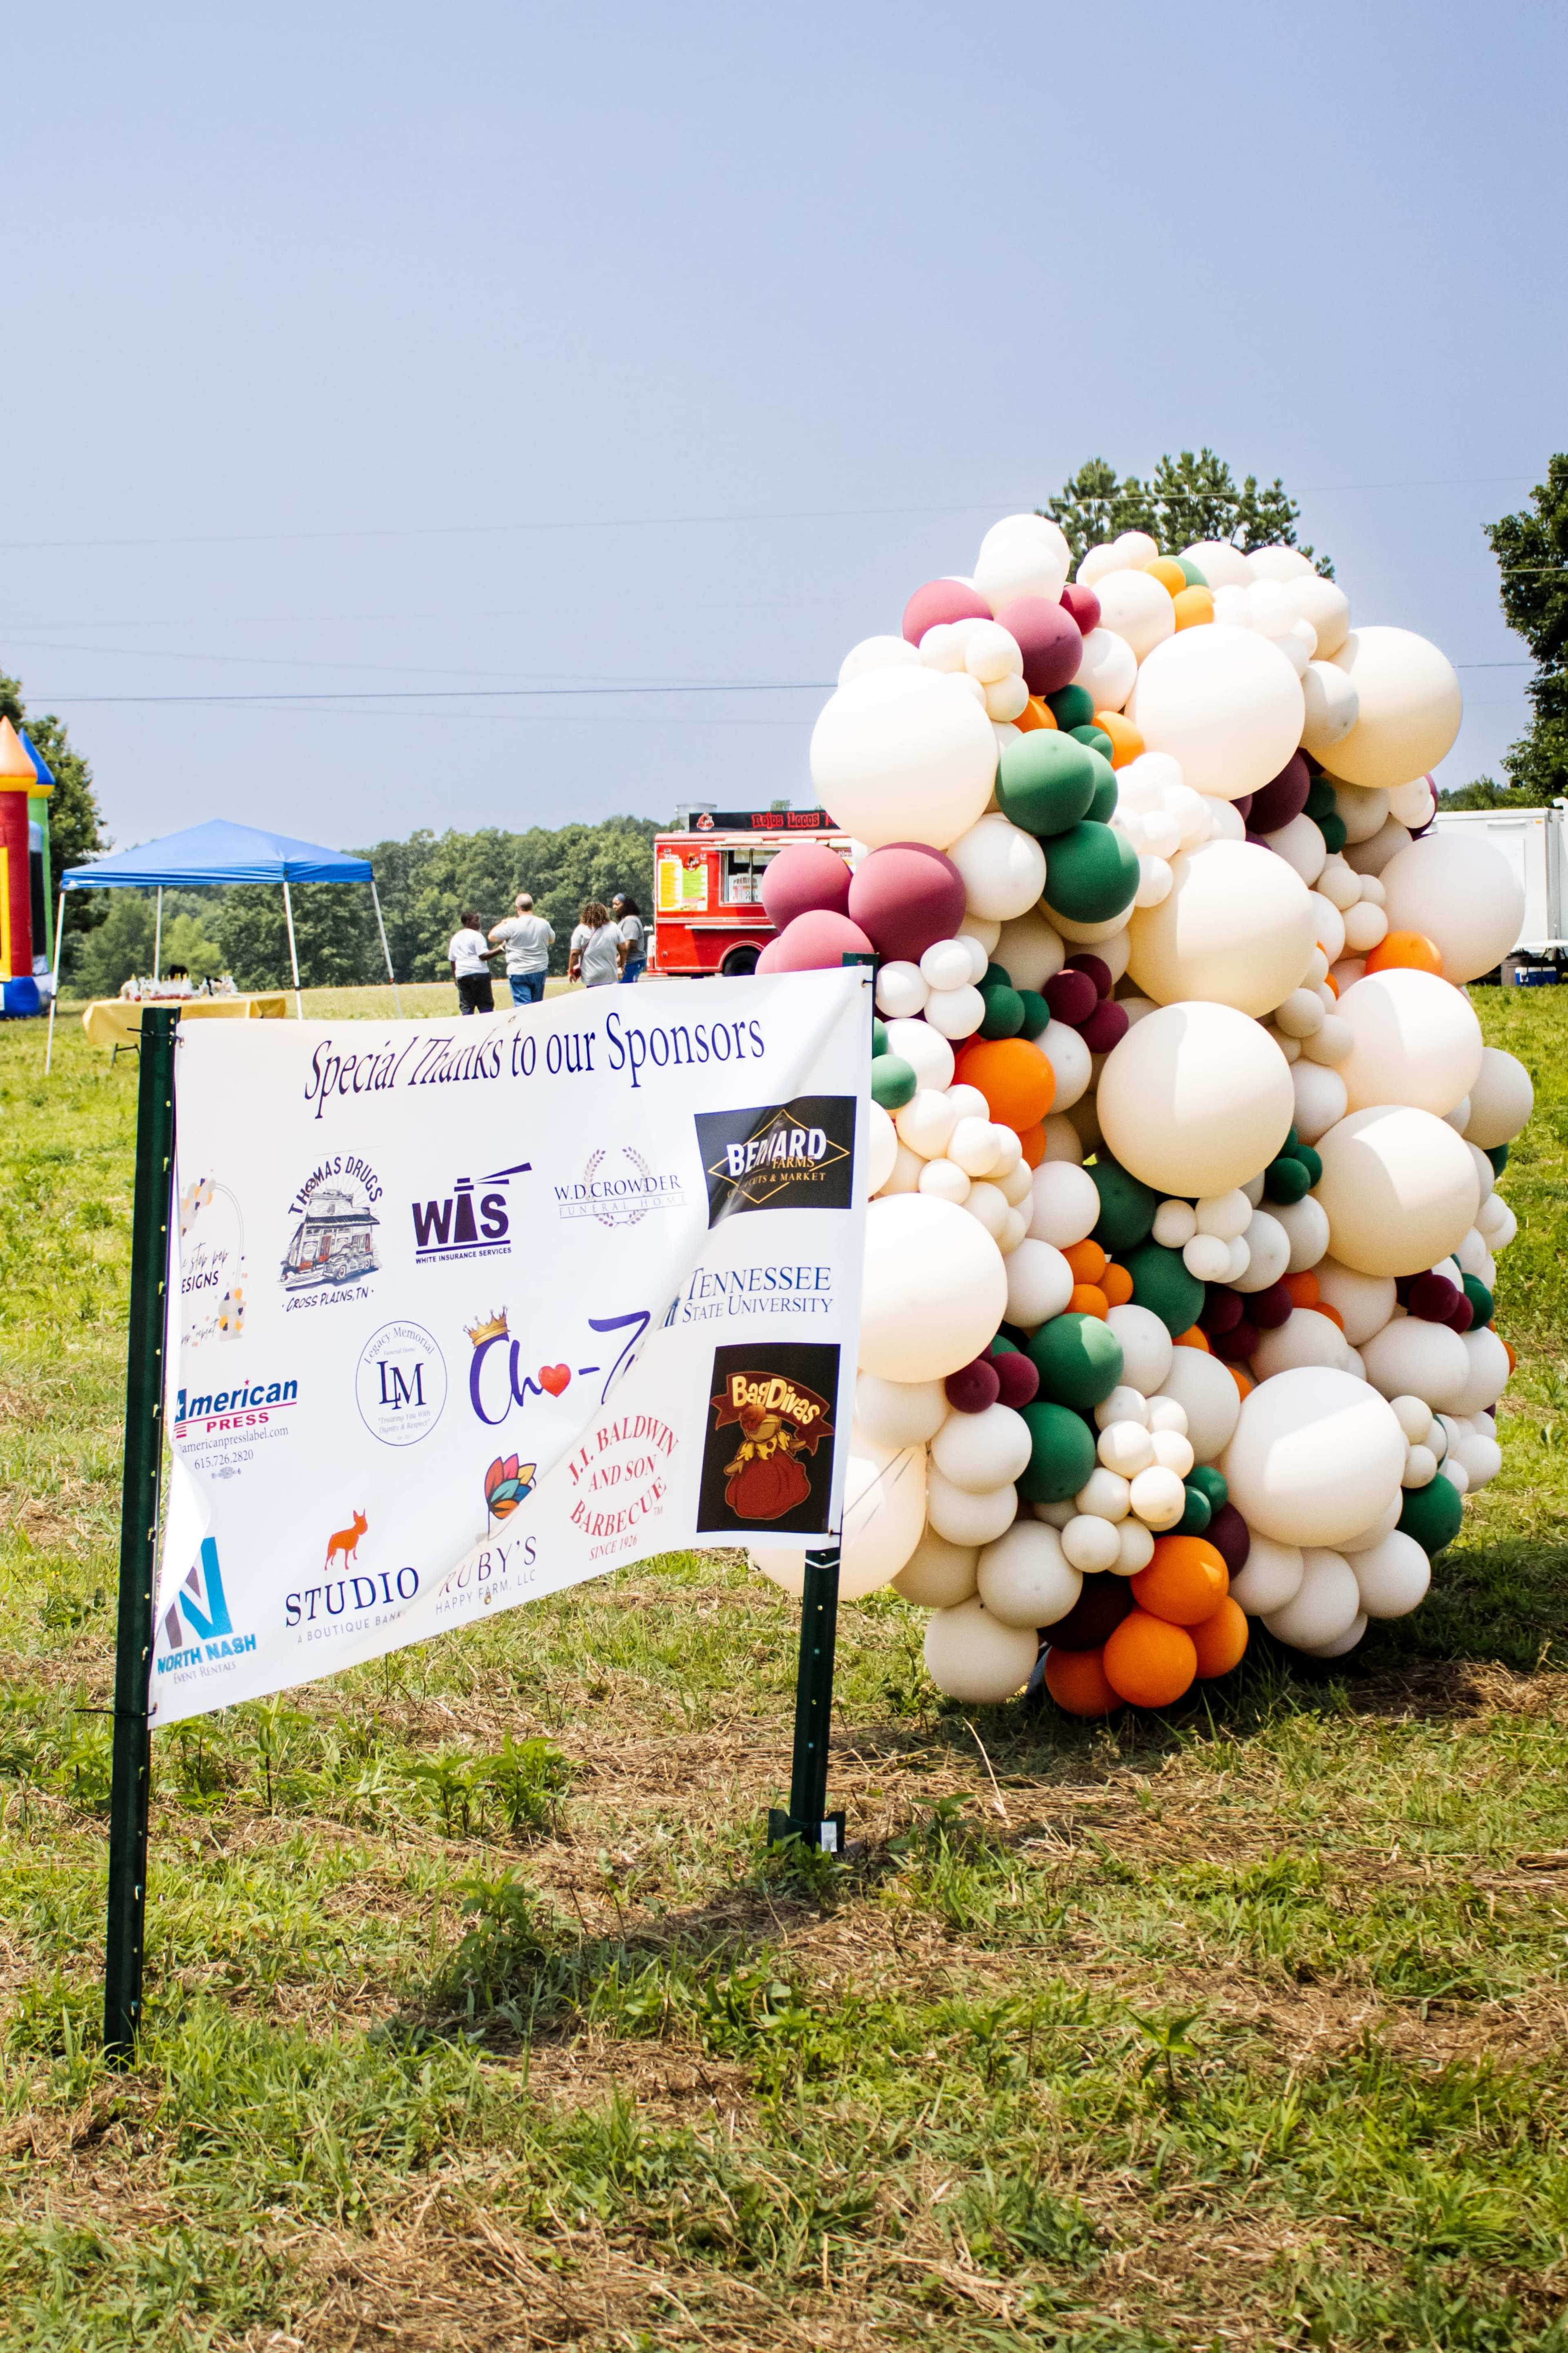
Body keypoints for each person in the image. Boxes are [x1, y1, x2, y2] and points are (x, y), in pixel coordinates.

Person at [489, 892, 555, 1006]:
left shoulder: (512, 925)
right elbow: (552, 940)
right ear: (532, 906)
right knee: (537, 1005)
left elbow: (492, 937)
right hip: (539, 969)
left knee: (523, 1007)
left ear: (518, 908)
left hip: (518, 971)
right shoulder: (544, 924)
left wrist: (504, 922)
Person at [448, 910, 501, 1014]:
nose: (479, 923)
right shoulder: (477, 936)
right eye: (476, 920)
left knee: (467, 1007)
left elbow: (453, 960)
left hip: (462, 975)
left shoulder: (455, 938)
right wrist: (501, 949)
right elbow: (483, 956)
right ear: (468, 922)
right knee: (486, 1006)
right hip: (479, 974)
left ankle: (468, 1029)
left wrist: (455, 978)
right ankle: (488, 1028)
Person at [568, 901, 621, 988]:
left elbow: (575, 953)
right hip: (609, 974)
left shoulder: (580, 930)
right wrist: (620, 962)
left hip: (591, 975)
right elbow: (623, 948)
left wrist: (571, 971)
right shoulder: (613, 927)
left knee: (593, 1000)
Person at [612, 892, 646, 984]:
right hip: (628, 962)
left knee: (626, 989)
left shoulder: (630, 921)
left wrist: (619, 962)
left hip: (632, 963)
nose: (614, 907)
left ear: (626, 905)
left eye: (617, 904)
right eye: (613, 904)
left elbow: (629, 945)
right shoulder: (626, 920)